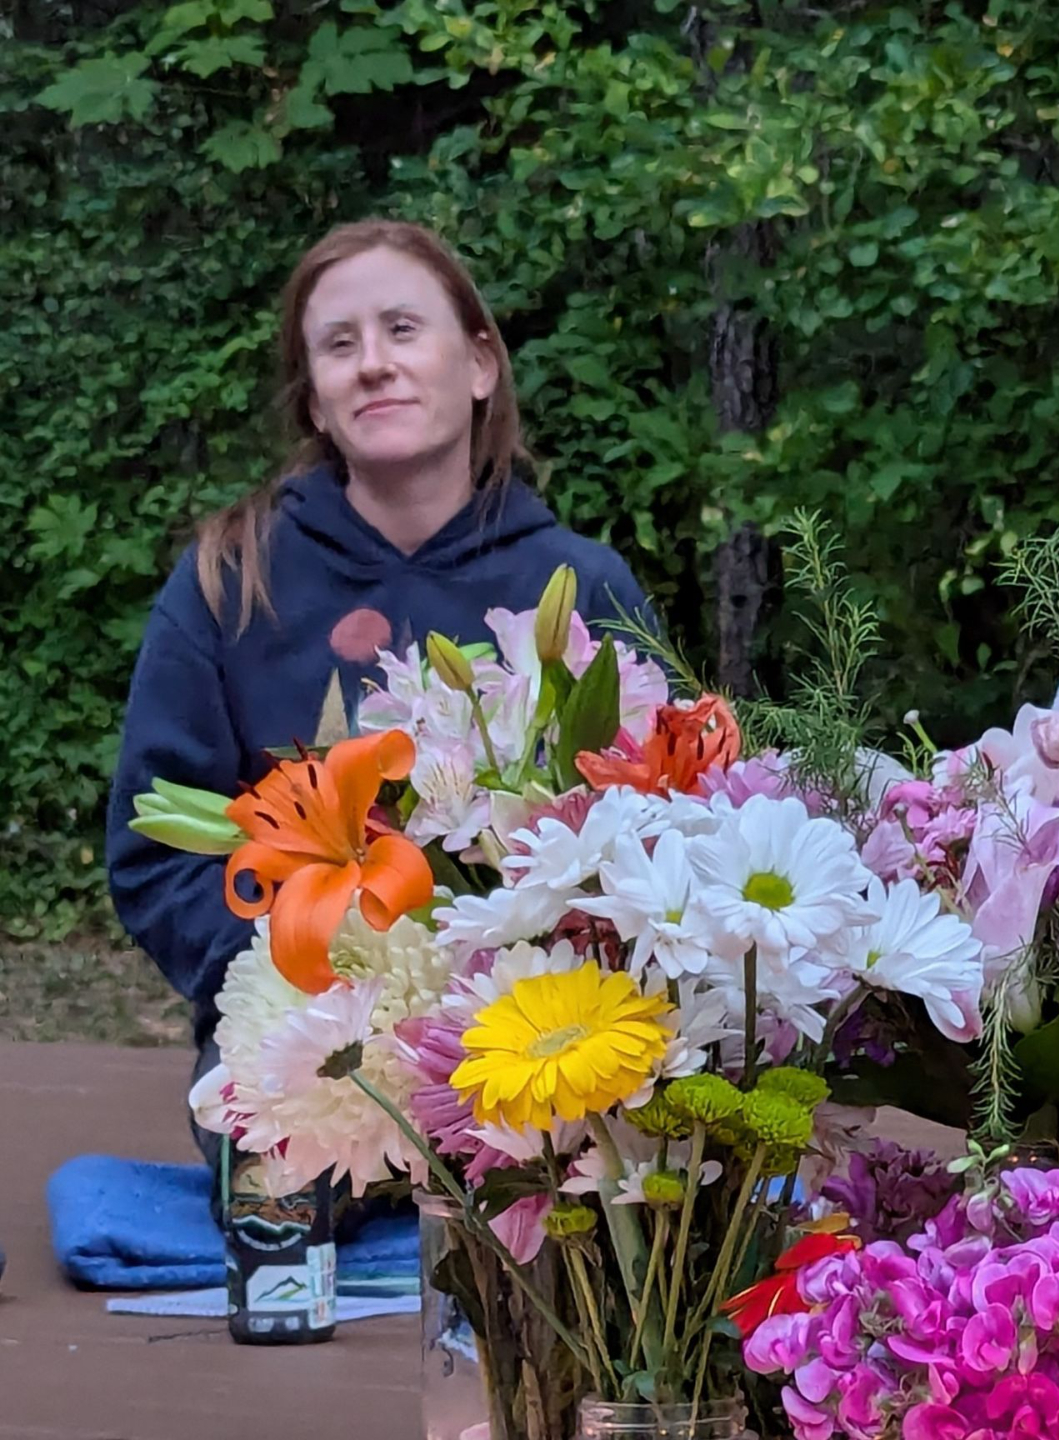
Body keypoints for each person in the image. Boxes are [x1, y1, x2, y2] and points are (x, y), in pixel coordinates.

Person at [105, 219, 651, 1168]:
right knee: (285, 1248)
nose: (373, 366)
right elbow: (157, 857)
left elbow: (665, 827)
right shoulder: (232, 581)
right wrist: (301, 981)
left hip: (541, 1050)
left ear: (480, 364)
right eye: (339, 345)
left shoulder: (584, 587)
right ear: (314, 400)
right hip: (313, 1044)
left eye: (403, 329)